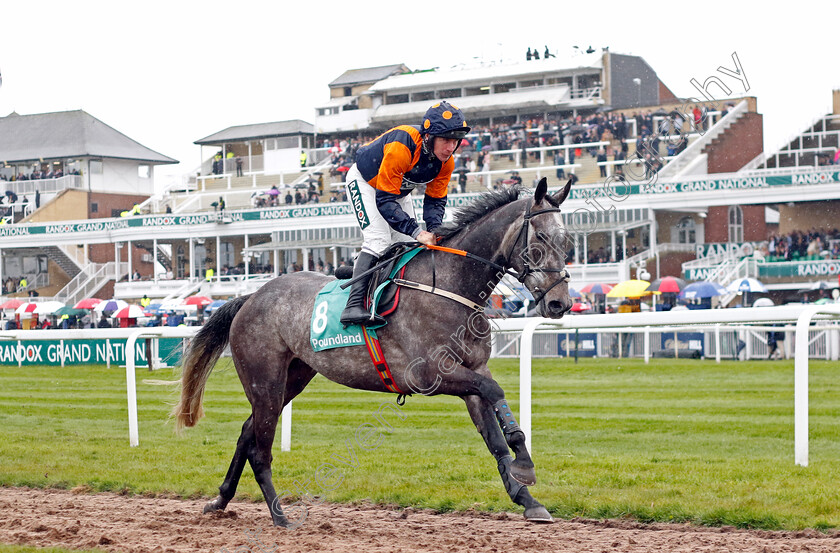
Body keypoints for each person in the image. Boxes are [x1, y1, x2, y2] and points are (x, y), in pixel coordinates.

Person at [340, 101, 469, 326]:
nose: (450, 148)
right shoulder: (403, 144)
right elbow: (385, 201)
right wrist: (417, 231)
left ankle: (362, 271)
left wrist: (435, 231)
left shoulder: (446, 163)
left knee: (407, 245)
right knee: (379, 239)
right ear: (429, 137)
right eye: (446, 140)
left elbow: (435, 201)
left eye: (455, 141)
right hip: (366, 183)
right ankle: (352, 305)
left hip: (395, 190)